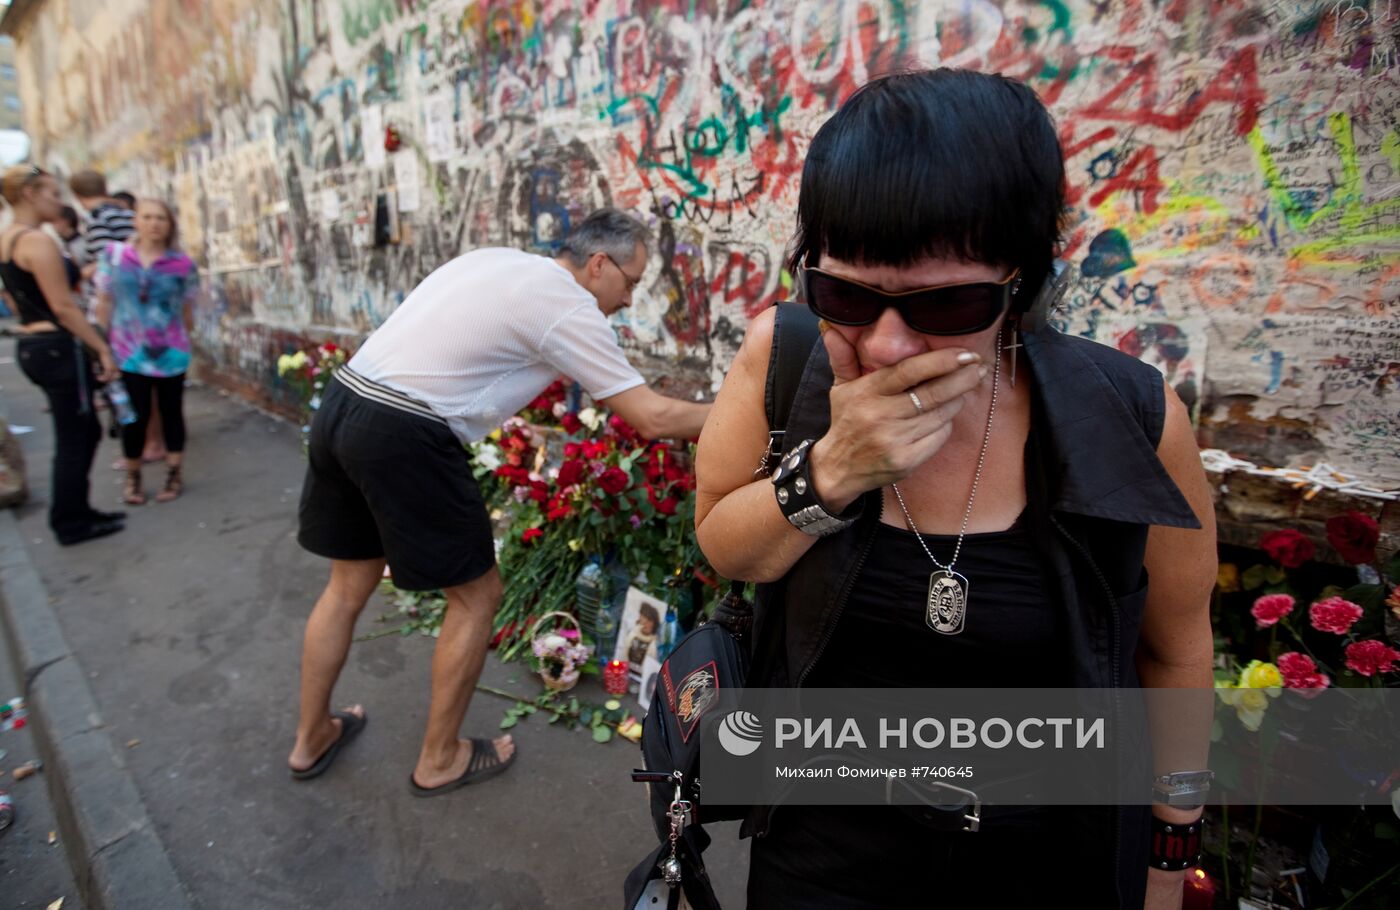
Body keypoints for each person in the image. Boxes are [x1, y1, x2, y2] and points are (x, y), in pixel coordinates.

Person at [693, 70, 1217, 909]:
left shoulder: (1129, 416)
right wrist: (830, 474)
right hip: (823, 847)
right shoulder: (784, 361)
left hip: (1051, 858)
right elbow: (726, 545)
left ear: (1020, 279)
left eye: (948, 304)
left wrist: (1168, 848)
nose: (891, 344)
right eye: (845, 294)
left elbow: (1176, 649)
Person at [289, 208, 712, 795]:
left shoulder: (496, 261)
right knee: (476, 596)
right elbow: (652, 416)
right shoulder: (569, 304)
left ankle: (312, 738)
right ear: (598, 265)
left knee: (345, 588)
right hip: (404, 433)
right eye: (632, 282)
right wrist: (747, 417)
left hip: (345, 402)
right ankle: (440, 758)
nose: (629, 300)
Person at [0, 166, 125, 544]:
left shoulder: (8, 239)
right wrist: (101, 347)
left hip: (37, 345)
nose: (59, 200)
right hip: (56, 346)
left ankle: (76, 512)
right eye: (52, 193)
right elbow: (63, 306)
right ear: (29, 194)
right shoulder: (36, 242)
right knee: (76, 436)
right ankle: (70, 520)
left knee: (80, 432)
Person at [94, 198, 198, 505]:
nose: (154, 224)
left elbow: (188, 310)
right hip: (128, 351)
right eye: (147, 217)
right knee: (132, 418)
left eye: (161, 218)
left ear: (170, 225)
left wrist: (185, 343)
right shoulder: (114, 257)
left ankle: (174, 474)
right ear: (136, 221)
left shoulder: (181, 264)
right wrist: (102, 348)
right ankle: (133, 477)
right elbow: (104, 302)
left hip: (171, 352)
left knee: (171, 414)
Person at [70, 170, 166, 462]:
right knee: (148, 384)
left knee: (134, 386)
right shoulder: (124, 215)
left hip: (125, 316)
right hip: (146, 311)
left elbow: (106, 272)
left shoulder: (100, 219)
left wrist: (76, 274)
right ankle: (151, 442)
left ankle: (146, 445)